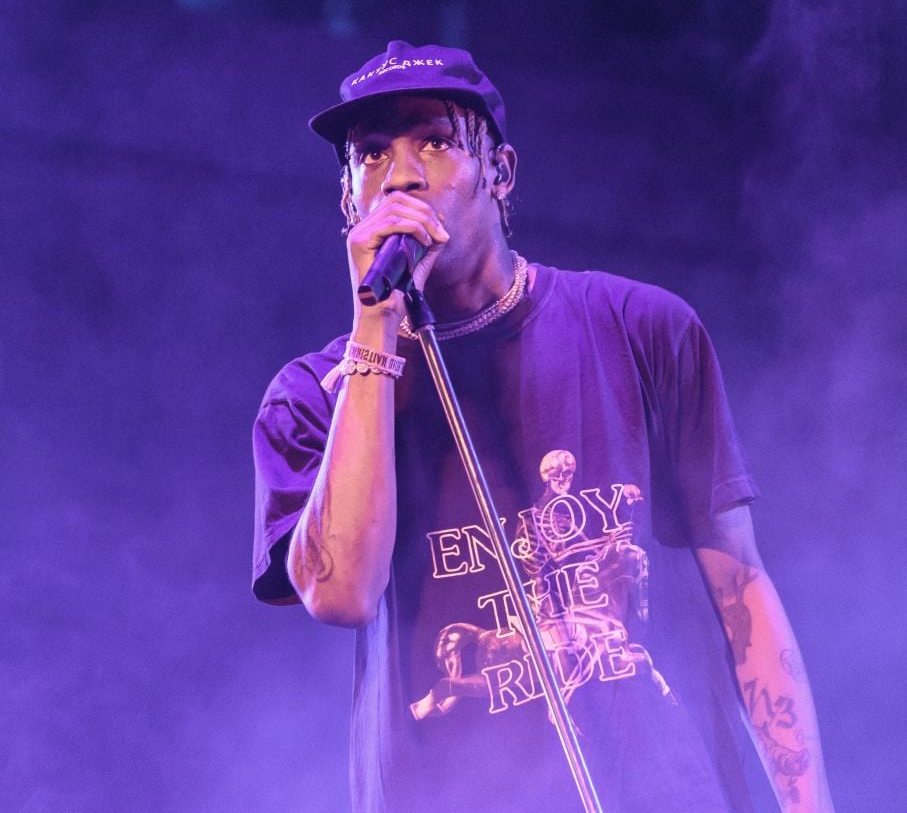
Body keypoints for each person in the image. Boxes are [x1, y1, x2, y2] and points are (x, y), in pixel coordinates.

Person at [252, 40, 833, 812]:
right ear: (347, 202)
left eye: (435, 140)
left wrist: (807, 804)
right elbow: (340, 593)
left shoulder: (642, 329)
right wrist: (375, 332)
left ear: (501, 171)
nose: (402, 175)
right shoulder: (310, 396)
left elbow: (742, 585)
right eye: (369, 154)